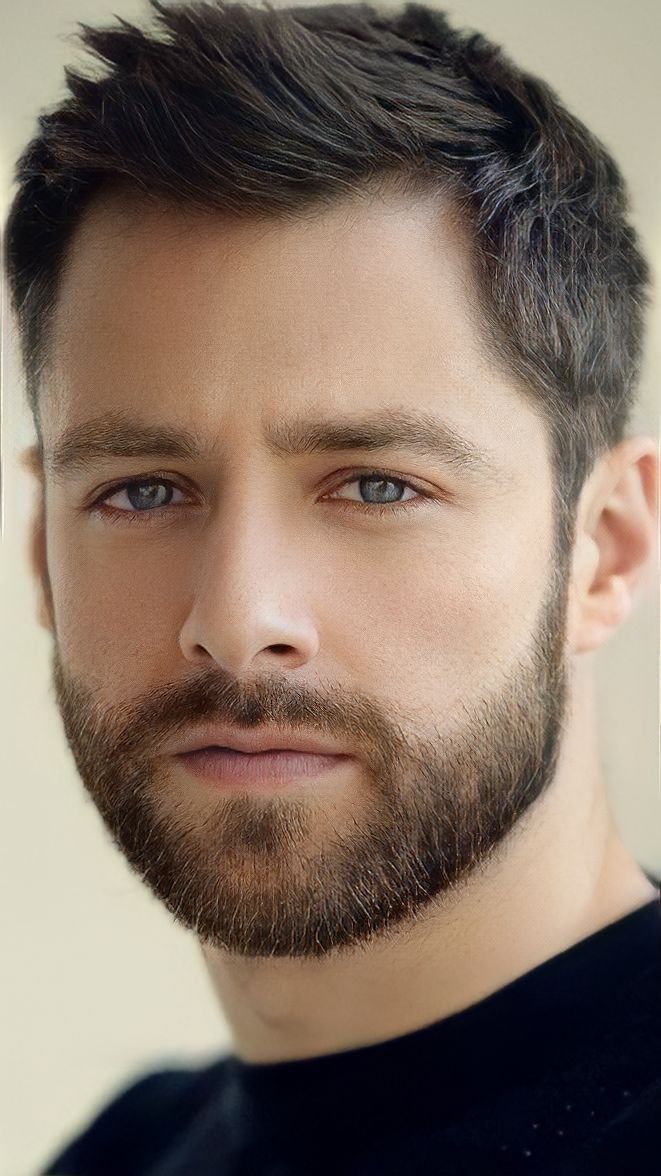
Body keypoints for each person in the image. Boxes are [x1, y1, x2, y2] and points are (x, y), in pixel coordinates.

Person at [4, 1, 659, 1172]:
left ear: (602, 549)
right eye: (144, 492)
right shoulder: (121, 1153)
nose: (237, 620)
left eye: (374, 486)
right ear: (44, 549)